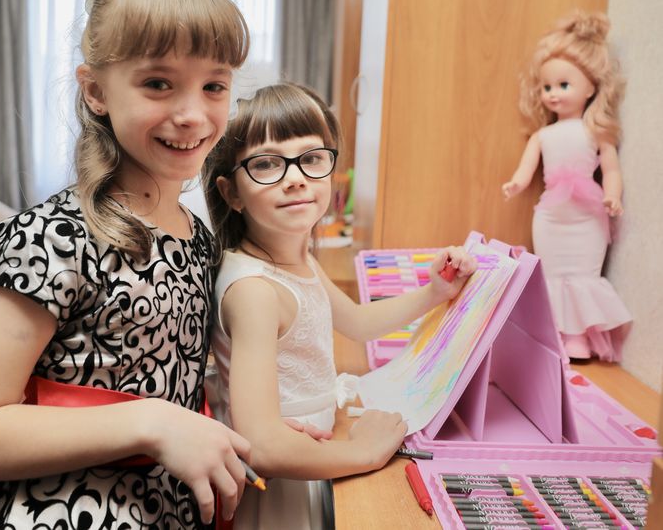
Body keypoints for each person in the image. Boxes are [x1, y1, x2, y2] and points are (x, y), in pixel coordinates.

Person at [0, 0, 256, 528]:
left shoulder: (196, 238)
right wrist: (153, 422)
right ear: (96, 91)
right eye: (158, 83)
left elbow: (170, 379)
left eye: (214, 86)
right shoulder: (52, 238)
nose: (192, 114)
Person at [201, 83, 477, 529]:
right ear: (231, 192)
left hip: (318, 457)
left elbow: (358, 322)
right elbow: (262, 443)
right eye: (267, 163)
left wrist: (435, 293)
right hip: (287, 486)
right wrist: (363, 451)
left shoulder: (297, 261)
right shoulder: (255, 292)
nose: (296, 177)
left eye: (311, 158)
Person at [501, 11, 631, 361]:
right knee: (553, 274)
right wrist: (516, 184)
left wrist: (612, 195)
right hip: (551, 217)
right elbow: (526, 170)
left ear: (590, 88)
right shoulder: (543, 135)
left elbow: (611, 170)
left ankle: (578, 337)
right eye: (547, 87)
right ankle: (555, 335)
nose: (553, 94)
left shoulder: (596, 132)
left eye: (563, 85)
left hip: (587, 215)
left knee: (582, 273)